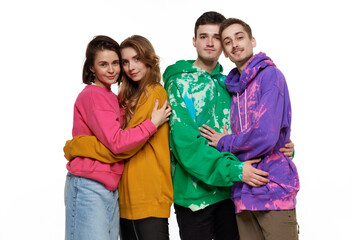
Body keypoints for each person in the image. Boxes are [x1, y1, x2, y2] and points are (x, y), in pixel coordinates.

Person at [163, 11, 294, 240]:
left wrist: (283, 144)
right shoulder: (179, 83)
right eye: (204, 36)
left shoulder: (231, 84)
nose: (210, 42)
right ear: (194, 41)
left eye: (217, 37)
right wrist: (235, 169)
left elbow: (256, 129)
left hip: (235, 194)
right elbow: (186, 146)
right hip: (196, 197)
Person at [63, 35, 173, 240]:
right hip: (95, 186)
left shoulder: (144, 95)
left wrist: (77, 146)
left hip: (120, 190)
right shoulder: (99, 95)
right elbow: (120, 142)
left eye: (115, 63)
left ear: (149, 60)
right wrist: (77, 147)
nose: (114, 69)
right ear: (92, 68)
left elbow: (121, 143)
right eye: (104, 64)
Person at [199, 18, 299, 240]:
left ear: (252, 40)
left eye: (239, 37)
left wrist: (225, 142)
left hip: (273, 189)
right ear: (224, 51)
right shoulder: (233, 89)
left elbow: (266, 135)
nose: (234, 44)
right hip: (243, 194)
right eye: (227, 41)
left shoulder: (271, 76)